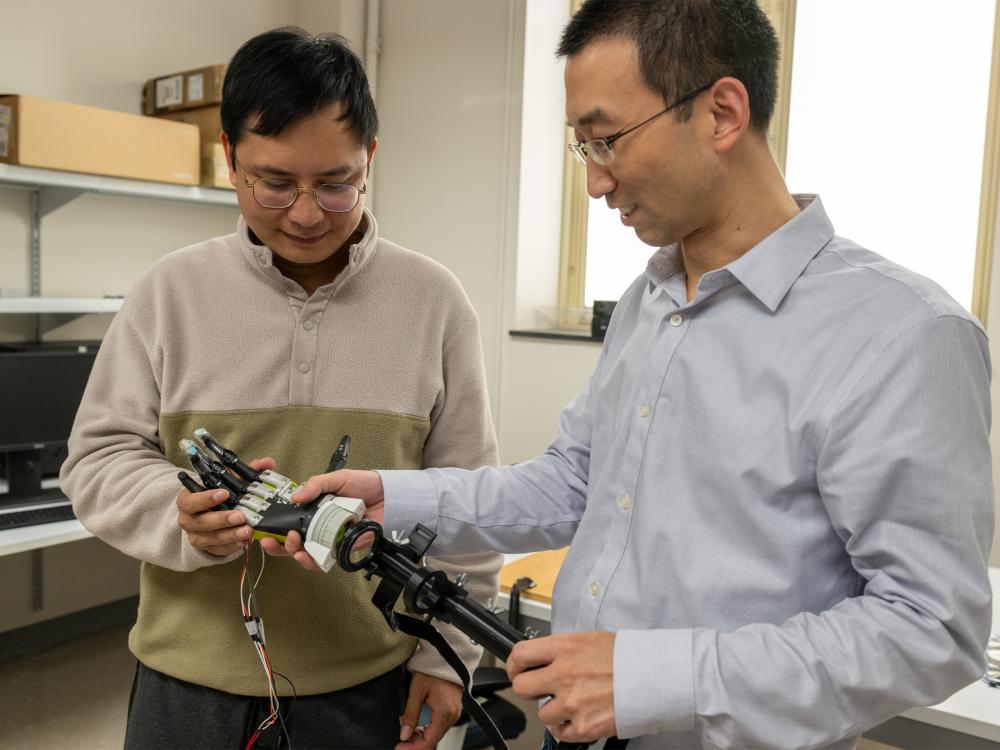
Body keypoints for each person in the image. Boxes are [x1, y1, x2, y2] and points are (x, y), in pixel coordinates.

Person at [282, 1, 997, 748]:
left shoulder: (900, 334)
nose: (595, 184)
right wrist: (391, 498)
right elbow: (574, 484)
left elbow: (931, 628)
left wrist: (655, 679)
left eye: (606, 141)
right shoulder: (651, 300)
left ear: (721, 112)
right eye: (581, 149)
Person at [60, 27, 502, 750]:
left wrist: (447, 657)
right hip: (184, 690)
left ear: (370, 162)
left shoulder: (434, 302)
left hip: (365, 691)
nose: (305, 214)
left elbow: (467, 492)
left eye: (335, 183)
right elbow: (95, 460)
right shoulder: (170, 293)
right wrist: (180, 516)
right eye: (275, 182)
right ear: (231, 161)